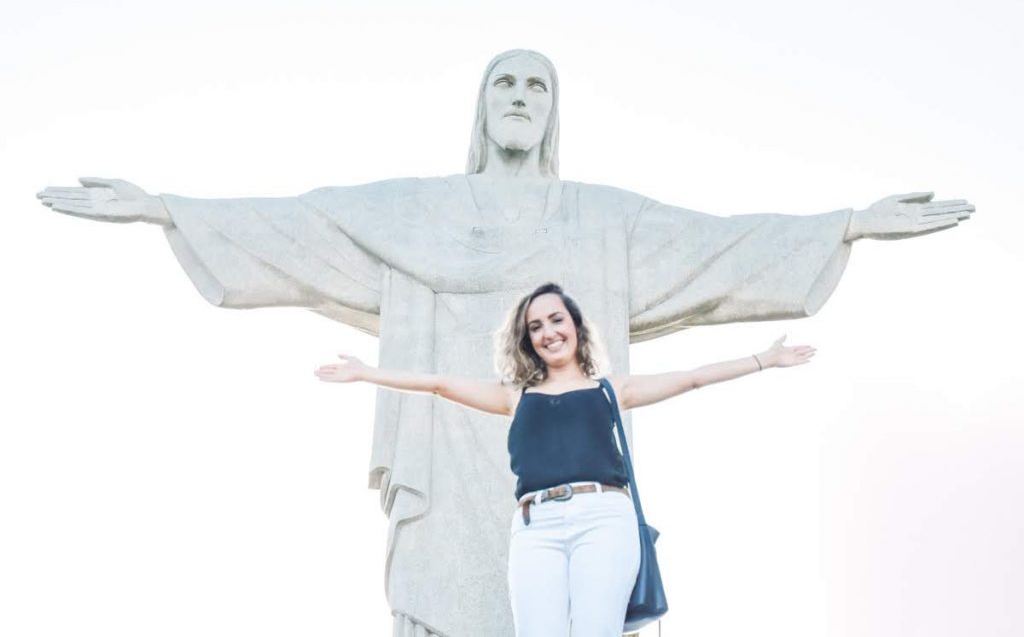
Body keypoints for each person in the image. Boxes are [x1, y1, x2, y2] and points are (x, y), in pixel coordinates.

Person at [36, 49, 971, 635]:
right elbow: (305, 227)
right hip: (454, 474)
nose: (519, 96)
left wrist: (843, 226)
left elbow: (719, 242)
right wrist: (166, 209)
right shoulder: (417, 211)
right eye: (505, 82)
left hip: (589, 505)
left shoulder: (603, 220)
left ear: (553, 112)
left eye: (536, 85)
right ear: (481, 107)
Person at [314, 282, 816, 636]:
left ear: (575, 326)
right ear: (526, 339)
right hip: (536, 527)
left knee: (595, 631)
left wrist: (763, 360)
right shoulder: (516, 395)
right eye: (535, 326)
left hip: (604, 518)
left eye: (557, 319)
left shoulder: (608, 390)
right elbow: (439, 384)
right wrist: (366, 373)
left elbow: (692, 377)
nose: (548, 331)